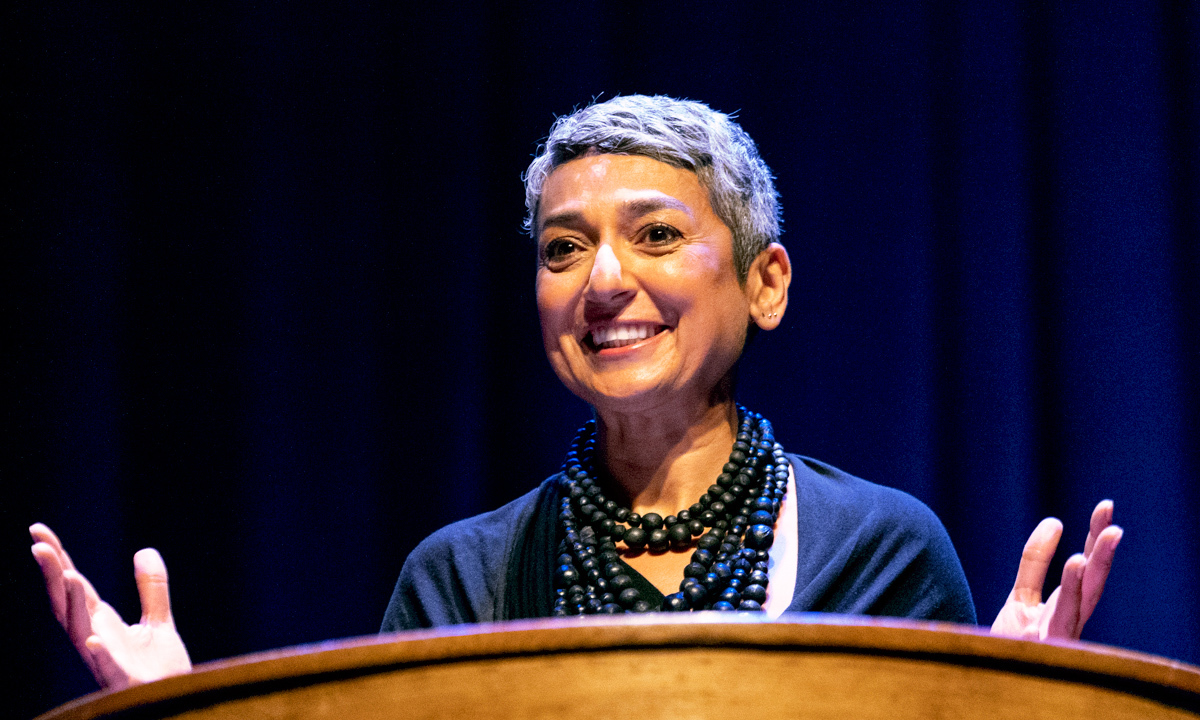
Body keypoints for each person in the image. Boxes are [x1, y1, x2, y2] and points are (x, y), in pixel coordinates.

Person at [30, 95, 1123, 691]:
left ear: (765, 282)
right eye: (563, 248)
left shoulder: (883, 548)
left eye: (655, 235)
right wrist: (171, 718)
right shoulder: (459, 580)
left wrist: (1009, 713)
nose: (604, 281)